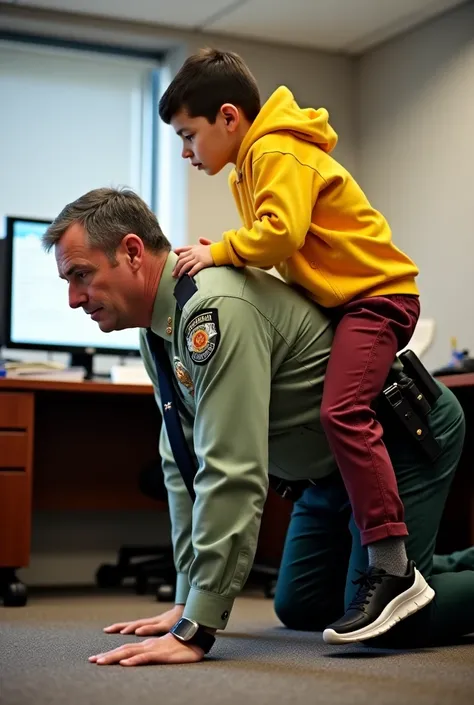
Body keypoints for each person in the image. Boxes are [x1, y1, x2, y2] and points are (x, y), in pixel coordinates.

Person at [41, 187, 474, 667]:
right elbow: (183, 466)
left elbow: (232, 469)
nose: (74, 299)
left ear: (132, 252)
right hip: (326, 475)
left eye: (81, 276)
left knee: (395, 617)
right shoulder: (158, 332)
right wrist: (187, 598)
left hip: (397, 442)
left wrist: (197, 630)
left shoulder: (215, 308)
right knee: (301, 605)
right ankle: (430, 565)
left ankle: (412, 572)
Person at [158, 48, 425, 639]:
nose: (184, 152)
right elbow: (284, 248)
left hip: (378, 297)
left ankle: (394, 567)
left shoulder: (275, 152)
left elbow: (279, 236)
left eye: (187, 136)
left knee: (342, 411)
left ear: (228, 118)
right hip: (349, 301)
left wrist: (221, 250)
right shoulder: (251, 165)